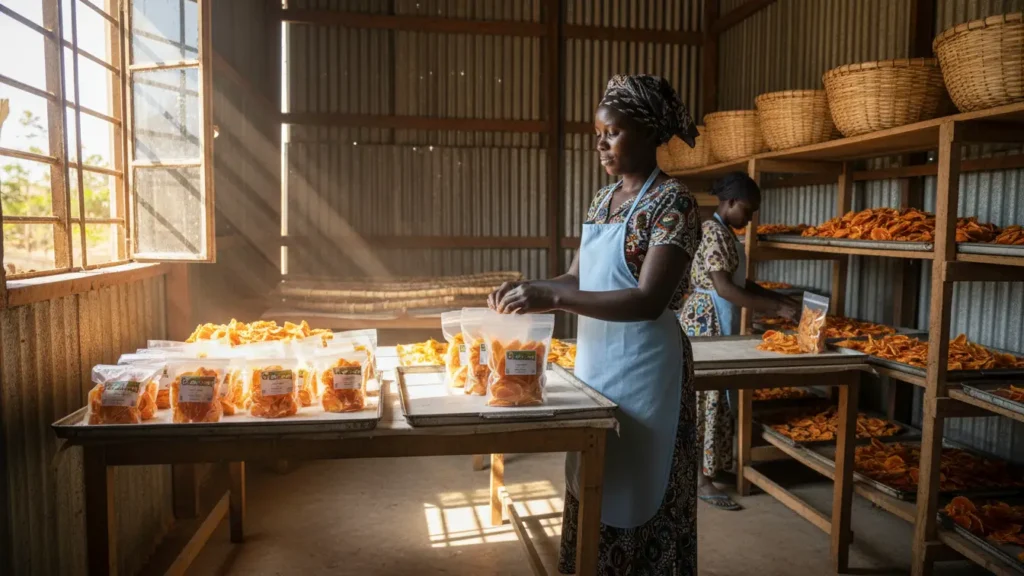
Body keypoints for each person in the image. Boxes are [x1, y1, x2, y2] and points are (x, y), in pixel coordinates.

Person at [489, 74, 700, 575]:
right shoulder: (601, 202)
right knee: (595, 479)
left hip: (650, 370)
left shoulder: (674, 203)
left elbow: (649, 300)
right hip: (598, 364)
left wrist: (555, 296)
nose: (602, 144)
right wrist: (530, 291)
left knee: (643, 485)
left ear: (649, 133)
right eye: (598, 135)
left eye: (614, 132)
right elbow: (575, 278)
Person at [679, 171, 799, 511]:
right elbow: (725, 289)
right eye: (748, 209)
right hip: (706, 321)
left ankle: (710, 468)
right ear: (730, 202)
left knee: (715, 399)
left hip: (717, 317)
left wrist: (779, 299)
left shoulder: (726, 232)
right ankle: (701, 480)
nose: (750, 217)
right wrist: (775, 306)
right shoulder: (714, 232)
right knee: (706, 401)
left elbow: (741, 282)